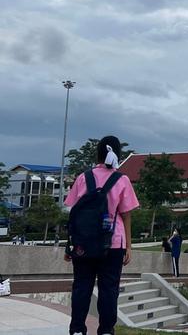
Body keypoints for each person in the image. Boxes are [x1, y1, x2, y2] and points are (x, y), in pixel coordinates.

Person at [64, 135, 139, 335]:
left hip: (83, 243)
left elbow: (73, 212)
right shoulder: (121, 180)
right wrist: (129, 246)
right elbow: (126, 214)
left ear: (97, 154)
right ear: (117, 155)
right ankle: (106, 330)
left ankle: (78, 330)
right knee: (109, 289)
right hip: (113, 244)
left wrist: (69, 244)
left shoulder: (82, 178)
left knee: (81, 286)